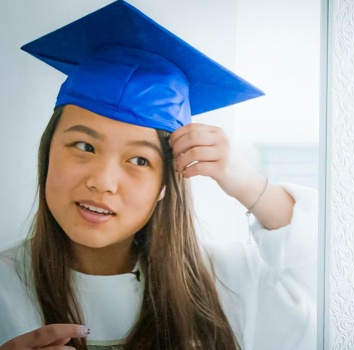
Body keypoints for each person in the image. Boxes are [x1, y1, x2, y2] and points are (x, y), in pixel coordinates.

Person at [0, 1, 318, 349]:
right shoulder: (6, 287)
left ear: (167, 183)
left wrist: (248, 184)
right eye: (84, 146)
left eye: (138, 160)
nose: (102, 182)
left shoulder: (228, 282)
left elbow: (333, 294)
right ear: (47, 152)